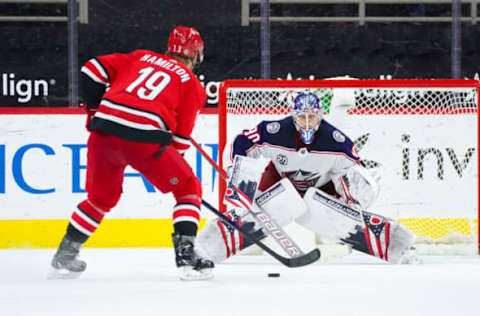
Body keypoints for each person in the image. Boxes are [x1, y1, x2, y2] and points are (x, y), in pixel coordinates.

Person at [49, 26, 214, 281]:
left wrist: (94, 109)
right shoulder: (191, 84)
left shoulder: (138, 57)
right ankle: (186, 256)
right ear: (195, 55)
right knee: (188, 188)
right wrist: (173, 172)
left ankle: (66, 252)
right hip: (144, 140)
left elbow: (90, 69)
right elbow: (180, 142)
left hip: (103, 133)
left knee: (100, 200)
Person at [196, 90, 421, 265]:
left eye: (311, 117)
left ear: (320, 116)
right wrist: (238, 177)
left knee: (355, 200)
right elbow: (241, 143)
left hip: (322, 186)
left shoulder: (337, 142)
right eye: (301, 117)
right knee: (247, 211)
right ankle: (209, 246)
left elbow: (347, 174)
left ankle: (398, 246)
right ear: (293, 116)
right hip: (278, 180)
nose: (306, 122)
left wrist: (351, 208)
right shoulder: (275, 131)